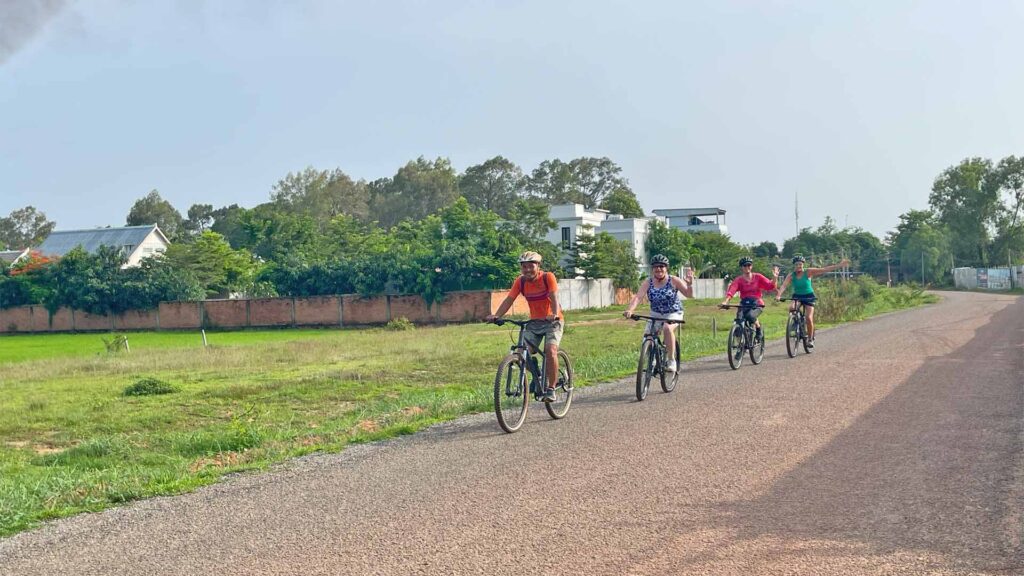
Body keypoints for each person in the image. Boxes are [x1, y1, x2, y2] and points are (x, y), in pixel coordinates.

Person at [485, 251, 563, 402]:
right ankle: (538, 373)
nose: (527, 270)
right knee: (522, 353)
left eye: (530, 266)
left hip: (552, 321)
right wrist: (497, 315)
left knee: (550, 350)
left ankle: (551, 389)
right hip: (534, 322)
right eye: (524, 267)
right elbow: (509, 299)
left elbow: (554, 296)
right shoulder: (520, 281)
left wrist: (554, 313)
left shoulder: (548, 277)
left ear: (538, 266)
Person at [623, 254, 694, 372]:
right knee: (648, 337)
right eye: (656, 267)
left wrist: (690, 284)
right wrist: (630, 310)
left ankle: (671, 360)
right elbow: (638, 297)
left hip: (673, 313)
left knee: (667, 329)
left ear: (666, 268)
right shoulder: (648, 282)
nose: (658, 269)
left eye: (661, 266)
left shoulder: (674, 280)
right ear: (652, 269)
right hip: (655, 314)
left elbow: (689, 295)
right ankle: (653, 358)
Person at [775, 255, 849, 348]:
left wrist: (839, 265)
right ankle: (796, 321)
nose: (799, 266)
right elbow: (784, 286)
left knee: (809, 318)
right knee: (792, 308)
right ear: (794, 265)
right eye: (797, 264)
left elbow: (824, 269)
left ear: (803, 265)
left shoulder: (808, 272)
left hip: (809, 296)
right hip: (797, 296)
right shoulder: (791, 275)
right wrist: (779, 295)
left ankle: (810, 339)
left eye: (800, 264)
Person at [719, 257, 779, 340]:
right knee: (738, 320)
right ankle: (740, 347)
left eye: (749, 265)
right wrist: (726, 301)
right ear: (741, 267)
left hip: (757, 303)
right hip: (744, 304)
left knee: (750, 316)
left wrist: (775, 277)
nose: (747, 267)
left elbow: (770, 285)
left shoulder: (758, 277)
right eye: (745, 265)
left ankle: (758, 329)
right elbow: (731, 291)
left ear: (751, 266)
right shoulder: (738, 280)